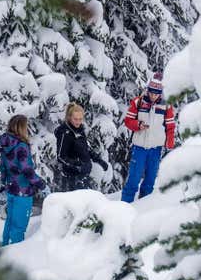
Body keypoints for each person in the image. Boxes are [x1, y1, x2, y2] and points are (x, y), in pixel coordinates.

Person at [121, 72, 175, 203]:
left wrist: (169, 142)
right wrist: (138, 125)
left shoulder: (166, 106)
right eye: (151, 93)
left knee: (150, 179)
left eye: (156, 94)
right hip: (139, 147)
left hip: (155, 148)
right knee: (134, 178)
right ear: (147, 90)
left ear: (160, 93)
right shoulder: (138, 102)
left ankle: (144, 206)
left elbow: (170, 125)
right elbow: (128, 121)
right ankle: (124, 206)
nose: (153, 96)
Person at [0, 114, 47, 246]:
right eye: (26, 126)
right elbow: (27, 170)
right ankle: (15, 253)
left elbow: (2, 166)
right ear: (21, 128)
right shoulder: (21, 146)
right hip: (23, 190)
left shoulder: (6, 144)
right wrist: (42, 185)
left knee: (10, 222)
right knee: (19, 226)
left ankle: (5, 247)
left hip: (11, 189)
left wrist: (4, 184)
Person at [54, 103, 109, 191]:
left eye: (80, 119)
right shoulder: (65, 133)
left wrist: (99, 160)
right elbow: (61, 156)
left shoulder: (79, 130)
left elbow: (85, 149)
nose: (78, 122)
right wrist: (77, 165)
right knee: (73, 204)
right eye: (75, 119)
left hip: (83, 175)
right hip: (70, 177)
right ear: (69, 117)